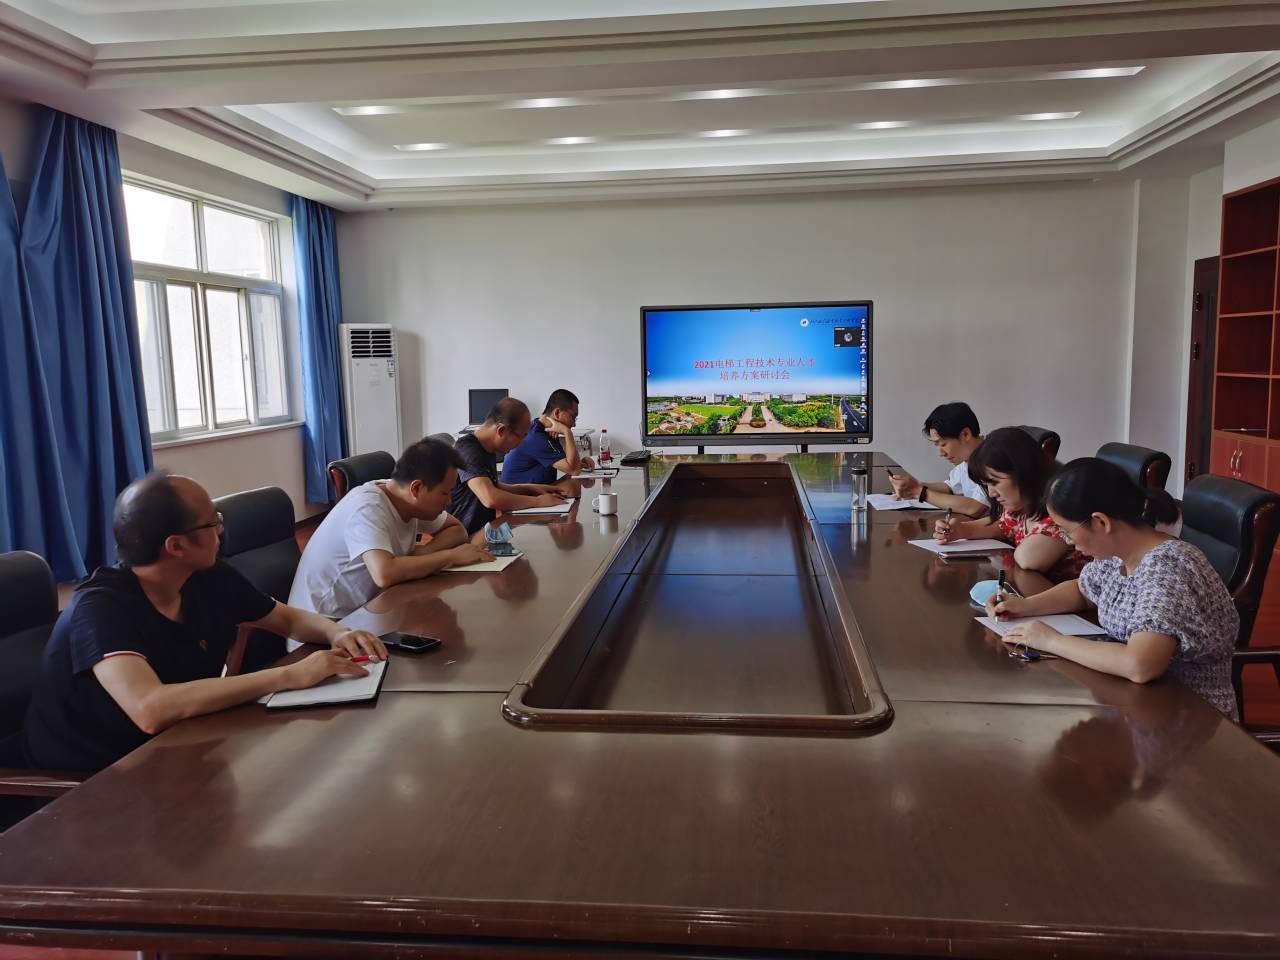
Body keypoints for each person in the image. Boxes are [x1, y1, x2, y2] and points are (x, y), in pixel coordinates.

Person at [20, 472, 388, 773]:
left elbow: (286, 618)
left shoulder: (205, 576)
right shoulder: (100, 608)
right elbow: (150, 709)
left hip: (181, 746)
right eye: (213, 522)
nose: (221, 531)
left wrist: (338, 632)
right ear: (176, 546)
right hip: (98, 777)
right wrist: (289, 676)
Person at [986, 457, 1239, 718]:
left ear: (1101, 522)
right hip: (1132, 703)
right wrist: (1025, 606)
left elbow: (1140, 665)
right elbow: (1083, 590)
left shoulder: (1168, 568)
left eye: (1065, 531)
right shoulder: (1119, 553)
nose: (1067, 541)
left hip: (1188, 718)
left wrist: (1051, 640)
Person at [289, 437, 490, 621]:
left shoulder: (404, 498)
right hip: (323, 628)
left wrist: (423, 553)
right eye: (445, 493)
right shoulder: (368, 507)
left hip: (367, 613)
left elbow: (457, 530)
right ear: (416, 488)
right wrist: (451, 557)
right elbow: (384, 573)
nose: (449, 501)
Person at [934, 426, 1086, 583]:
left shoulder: (1060, 513)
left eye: (995, 482)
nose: (991, 493)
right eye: (986, 485)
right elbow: (1002, 526)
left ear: (1023, 472)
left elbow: (1028, 560)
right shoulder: (1022, 505)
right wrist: (961, 530)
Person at [450, 397, 572, 536]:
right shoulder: (468, 450)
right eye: (521, 436)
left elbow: (493, 486)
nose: (521, 443)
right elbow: (490, 498)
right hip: (464, 538)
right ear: (501, 430)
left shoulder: (485, 447)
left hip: (485, 529)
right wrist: (537, 501)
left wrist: (531, 489)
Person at [889, 402, 988, 516]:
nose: (941, 453)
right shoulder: (967, 460)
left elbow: (975, 508)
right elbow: (950, 488)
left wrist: (920, 492)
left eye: (943, 444)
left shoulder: (991, 459)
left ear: (965, 434)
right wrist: (915, 486)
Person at [501, 388, 595, 484]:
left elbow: (571, 465)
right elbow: (573, 470)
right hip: (520, 493)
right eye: (573, 417)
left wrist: (582, 463)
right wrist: (567, 432)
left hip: (538, 489)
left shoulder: (546, 429)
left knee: (575, 481)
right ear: (557, 413)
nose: (574, 424)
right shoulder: (536, 437)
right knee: (573, 483)